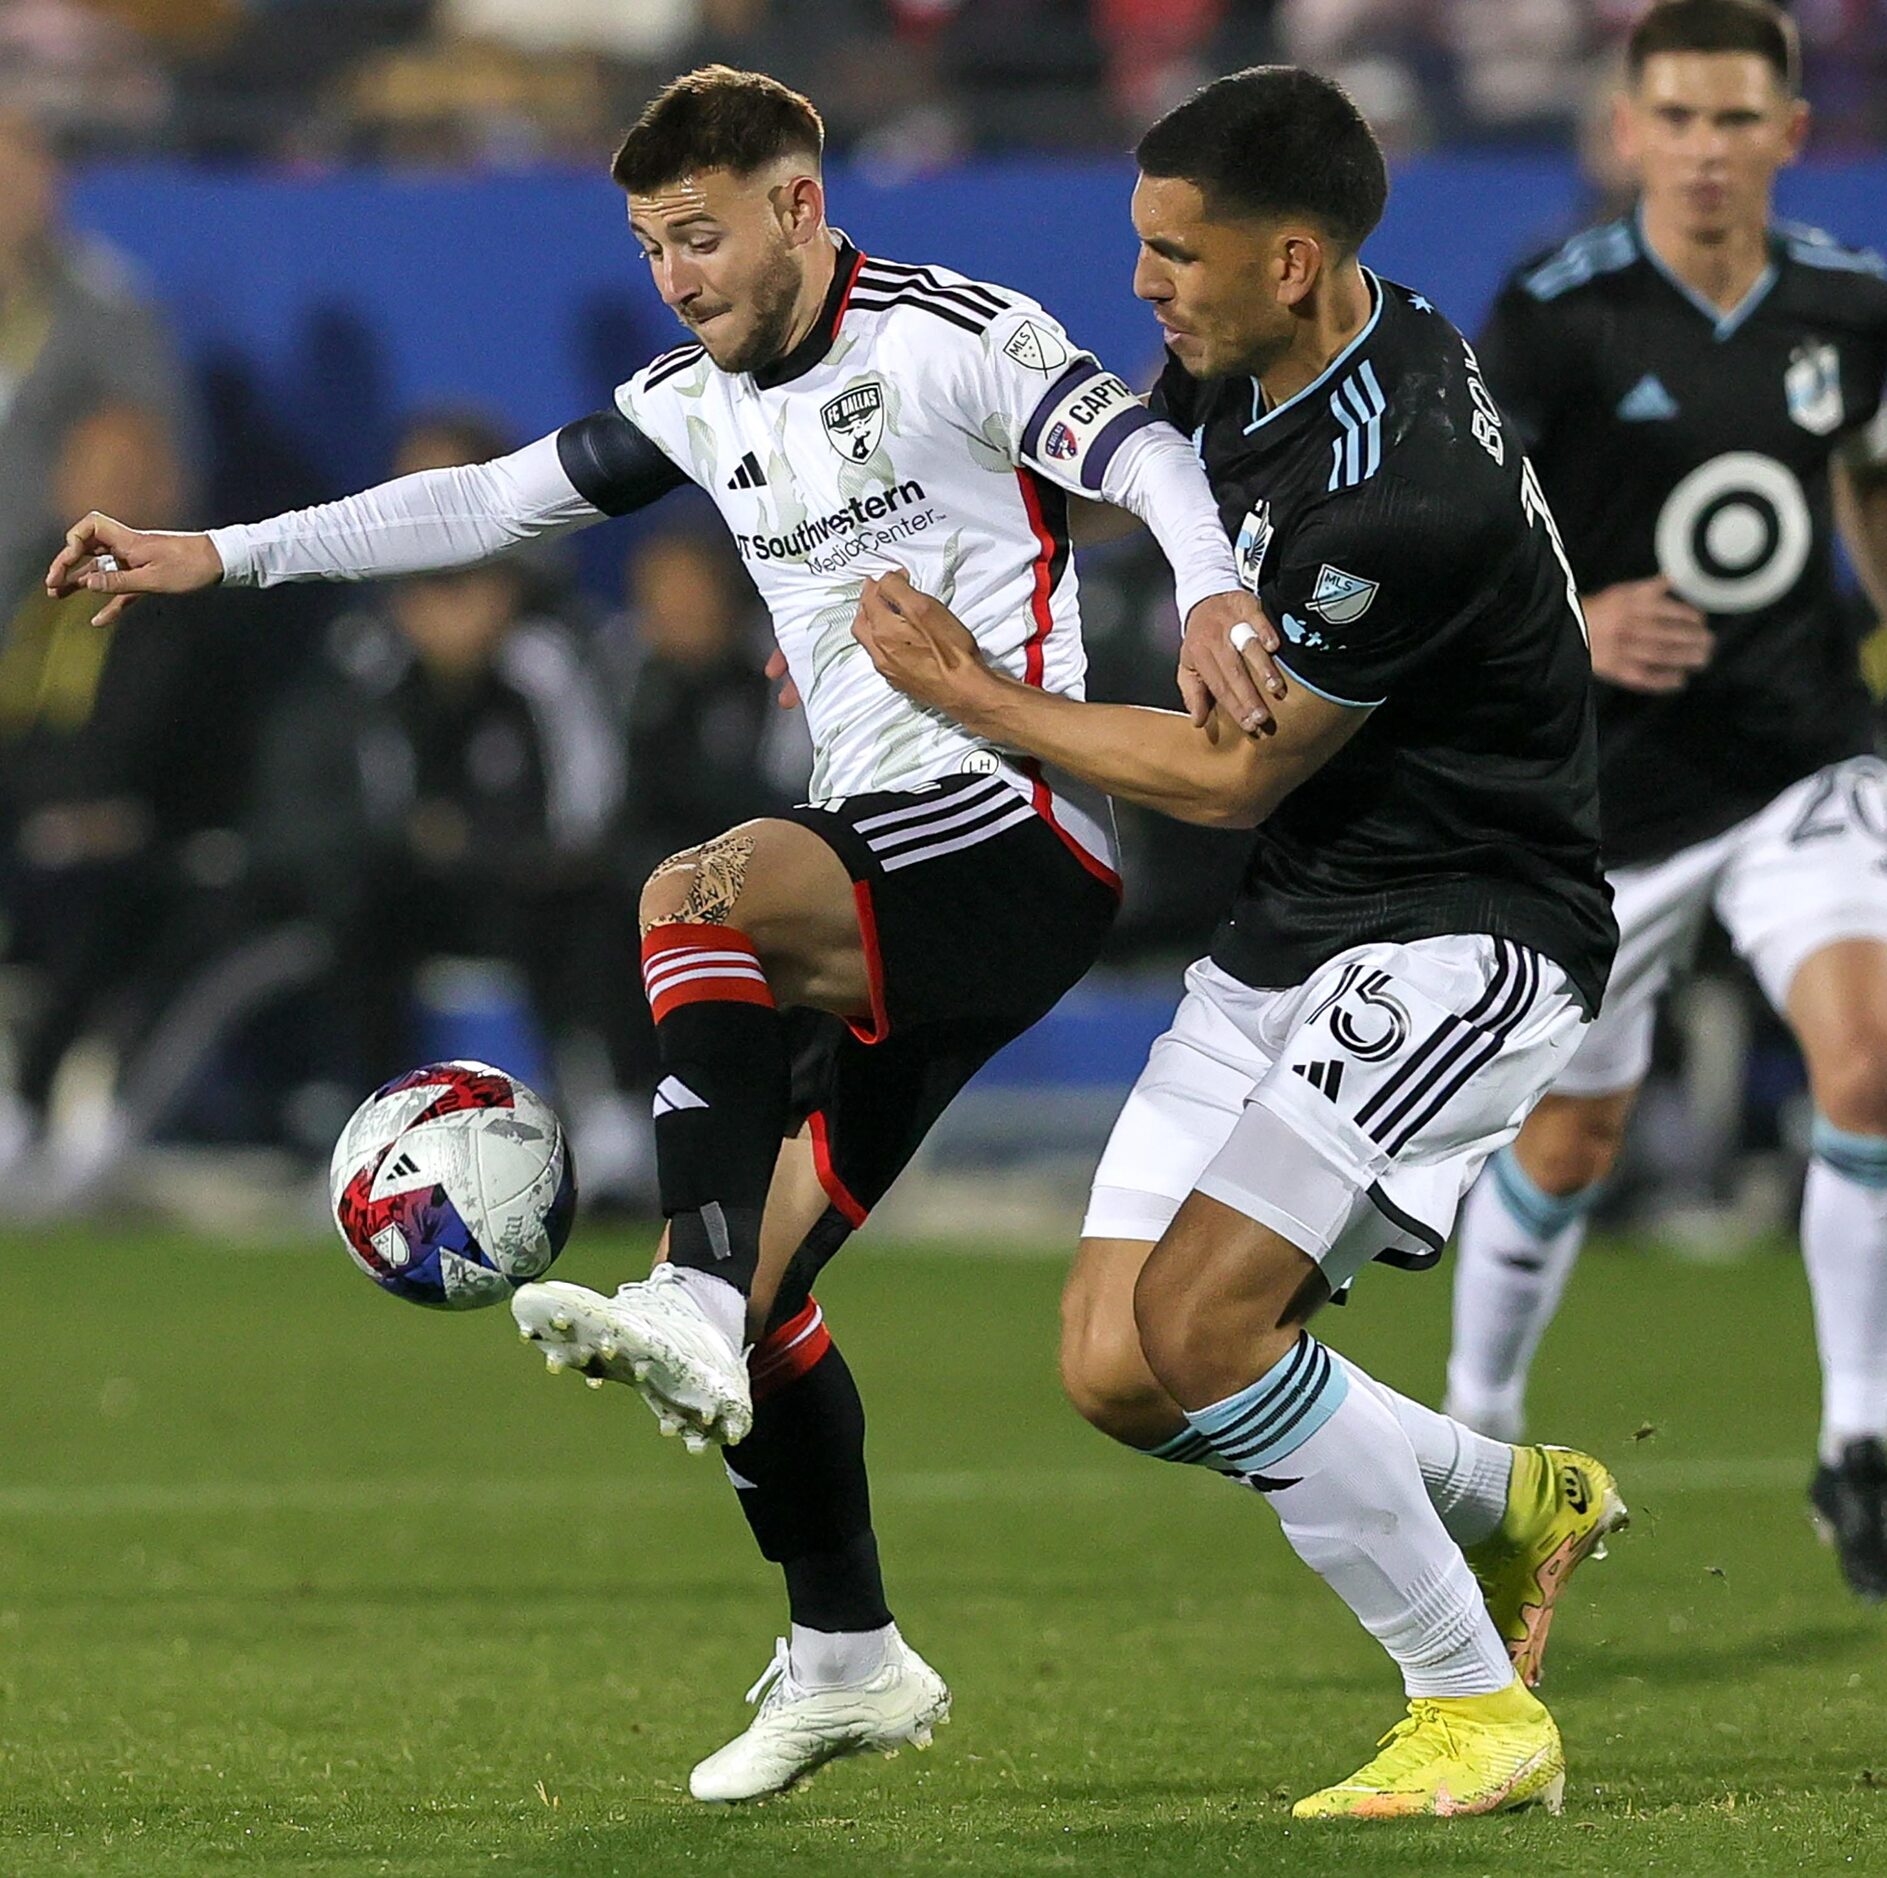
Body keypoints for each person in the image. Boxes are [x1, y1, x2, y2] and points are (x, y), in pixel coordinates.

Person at [44, 64, 1279, 1802]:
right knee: (774, 1306)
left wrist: (1216, 584)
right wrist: (212, 553)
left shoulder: (942, 334)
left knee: (687, 892)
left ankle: (685, 1283)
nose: (678, 276)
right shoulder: (695, 398)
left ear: (799, 202)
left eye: (701, 234)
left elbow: (1137, 444)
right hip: (893, 873)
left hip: (1012, 818)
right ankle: (848, 1651)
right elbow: (481, 502)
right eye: (648, 246)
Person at [851, 65, 1624, 1820]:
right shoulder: (1277, 347)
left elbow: (1227, 771)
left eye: (1172, 253)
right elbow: (1123, 468)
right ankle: (1509, 1497)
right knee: (1118, 1365)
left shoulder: (1402, 482)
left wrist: (975, 700)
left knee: (1209, 1325)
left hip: (1466, 926)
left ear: (1292, 261)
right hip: (1311, 922)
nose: (1144, 284)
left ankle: (1474, 1709)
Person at [1444, 0, 1887, 1602]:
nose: (1706, 150)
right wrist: (1586, 618)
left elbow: (1874, 483)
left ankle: (1863, 1437)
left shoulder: (1850, 304)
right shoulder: (1556, 318)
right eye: (1678, 119)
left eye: (1736, 120)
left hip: (1802, 757)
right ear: (1629, 132)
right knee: (1570, 1136)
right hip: (1614, 797)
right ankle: (1479, 1429)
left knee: (1873, 1053)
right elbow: (1474, 545)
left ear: (1790, 131)